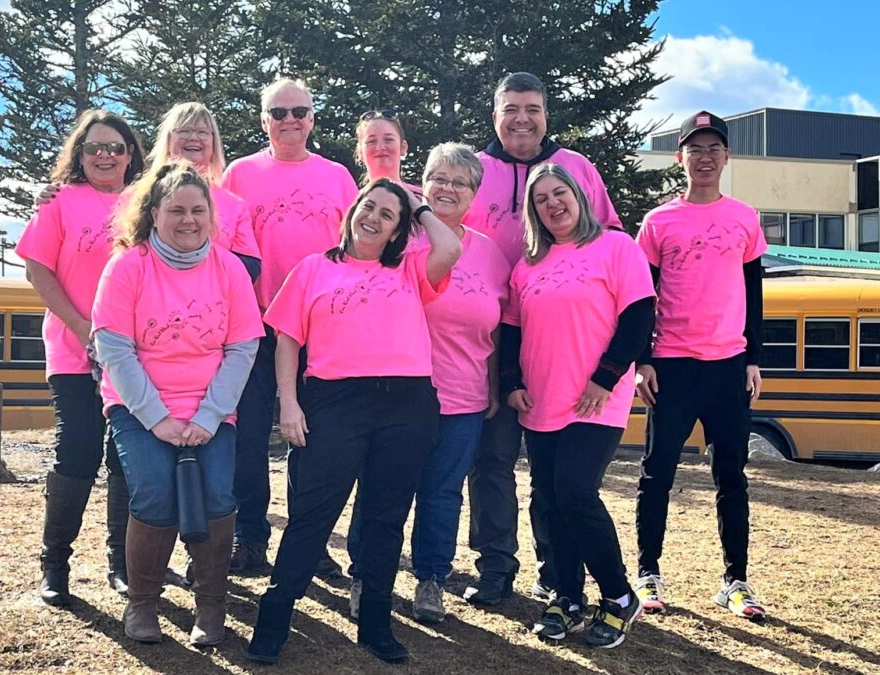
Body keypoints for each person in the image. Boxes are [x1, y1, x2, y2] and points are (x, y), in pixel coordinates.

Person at [245, 179, 461, 664]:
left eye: (388, 215)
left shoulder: (410, 269)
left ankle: (376, 624)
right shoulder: (312, 269)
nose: (374, 218)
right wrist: (289, 403)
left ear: (398, 230)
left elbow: (450, 244)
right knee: (312, 515)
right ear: (352, 211)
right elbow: (287, 342)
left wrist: (417, 205)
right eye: (369, 206)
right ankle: (275, 616)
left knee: (385, 518)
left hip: (407, 404)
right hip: (333, 400)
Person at [463, 71, 623, 607]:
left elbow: (615, 249)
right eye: (511, 108)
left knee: (553, 477)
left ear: (546, 114)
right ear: (495, 116)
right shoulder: (474, 170)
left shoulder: (577, 169)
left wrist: (630, 357)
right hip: (487, 338)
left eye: (532, 107)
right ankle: (495, 566)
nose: (522, 118)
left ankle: (555, 572)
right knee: (492, 461)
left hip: (563, 347)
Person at [92, 162, 264, 645]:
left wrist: (209, 415)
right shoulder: (128, 266)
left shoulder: (229, 267)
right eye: (176, 210)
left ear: (211, 216)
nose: (188, 220)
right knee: (154, 494)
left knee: (216, 496)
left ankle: (211, 607)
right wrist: (157, 418)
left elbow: (243, 347)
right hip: (139, 406)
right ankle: (142, 604)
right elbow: (115, 349)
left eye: (197, 210)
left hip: (212, 408)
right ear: (153, 213)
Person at [345, 144, 510, 624]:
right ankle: (366, 577)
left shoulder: (492, 254)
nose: (448, 189)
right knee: (380, 489)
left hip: (464, 396)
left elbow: (497, 328)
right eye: (438, 178)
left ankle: (431, 580)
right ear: (422, 184)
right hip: (397, 394)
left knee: (442, 494)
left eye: (460, 182)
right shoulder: (398, 239)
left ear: (475, 193)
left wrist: (496, 386)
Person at [503, 163, 654, 648]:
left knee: (574, 494)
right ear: (533, 211)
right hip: (541, 400)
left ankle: (618, 596)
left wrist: (605, 378)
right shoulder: (527, 266)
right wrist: (510, 381)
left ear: (579, 195)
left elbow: (638, 319)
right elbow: (511, 330)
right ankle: (567, 597)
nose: (552, 203)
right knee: (548, 501)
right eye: (541, 198)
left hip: (595, 399)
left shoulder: (615, 247)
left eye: (559, 192)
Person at [633, 111, 768, 621]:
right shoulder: (658, 221)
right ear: (680, 158)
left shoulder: (744, 217)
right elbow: (642, 296)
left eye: (714, 148)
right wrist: (643, 359)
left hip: (729, 366)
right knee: (656, 474)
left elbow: (754, 292)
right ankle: (648, 574)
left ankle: (735, 581)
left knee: (731, 476)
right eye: (695, 148)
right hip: (672, 366)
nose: (705, 157)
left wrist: (755, 356)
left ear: (727, 157)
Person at [221, 78, 359, 575]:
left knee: (315, 440)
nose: (290, 120)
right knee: (249, 438)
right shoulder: (239, 175)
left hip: (323, 329)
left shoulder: (339, 177)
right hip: (254, 327)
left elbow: (358, 249)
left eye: (300, 111)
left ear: (313, 119)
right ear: (264, 121)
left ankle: (310, 541)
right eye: (278, 113)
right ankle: (250, 537)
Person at [15, 108, 145, 607]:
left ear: (130, 154)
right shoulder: (60, 202)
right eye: (95, 148)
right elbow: (37, 270)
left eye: (116, 147)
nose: (106, 156)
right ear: (81, 154)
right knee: (79, 449)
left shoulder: (143, 202)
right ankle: (55, 561)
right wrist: (81, 326)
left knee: (126, 457)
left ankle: (123, 562)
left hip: (133, 355)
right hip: (74, 349)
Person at [35, 103, 261, 280]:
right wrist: (52, 198)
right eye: (184, 130)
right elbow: (121, 253)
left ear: (214, 142)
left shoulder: (234, 205)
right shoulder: (135, 196)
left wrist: (195, 264)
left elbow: (250, 268)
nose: (194, 137)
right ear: (168, 140)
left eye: (203, 132)